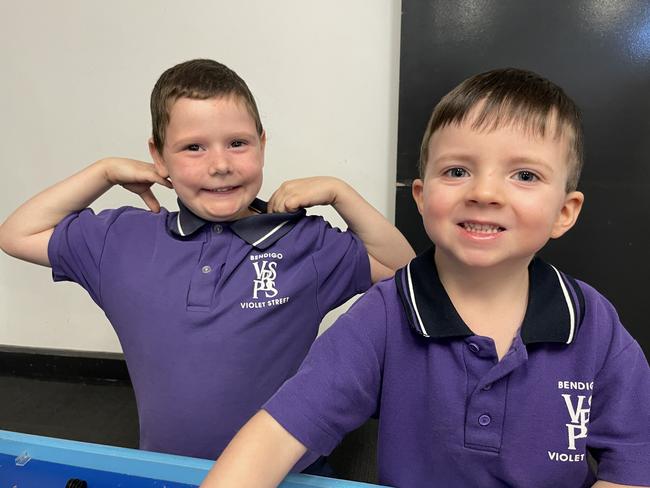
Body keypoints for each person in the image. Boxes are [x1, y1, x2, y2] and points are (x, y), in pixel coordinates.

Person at [199, 68, 650, 488]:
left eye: (524, 175)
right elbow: (279, 433)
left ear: (564, 213)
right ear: (421, 194)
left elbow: (633, 461)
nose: (485, 193)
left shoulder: (594, 324)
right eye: (457, 171)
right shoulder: (382, 315)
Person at [0, 59, 415, 463]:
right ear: (158, 156)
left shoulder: (305, 242)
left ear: (262, 145)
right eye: (193, 147)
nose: (220, 165)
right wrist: (103, 171)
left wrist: (342, 194)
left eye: (237, 143)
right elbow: (17, 234)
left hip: (286, 474)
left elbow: (404, 272)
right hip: (167, 470)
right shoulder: (121, 238)